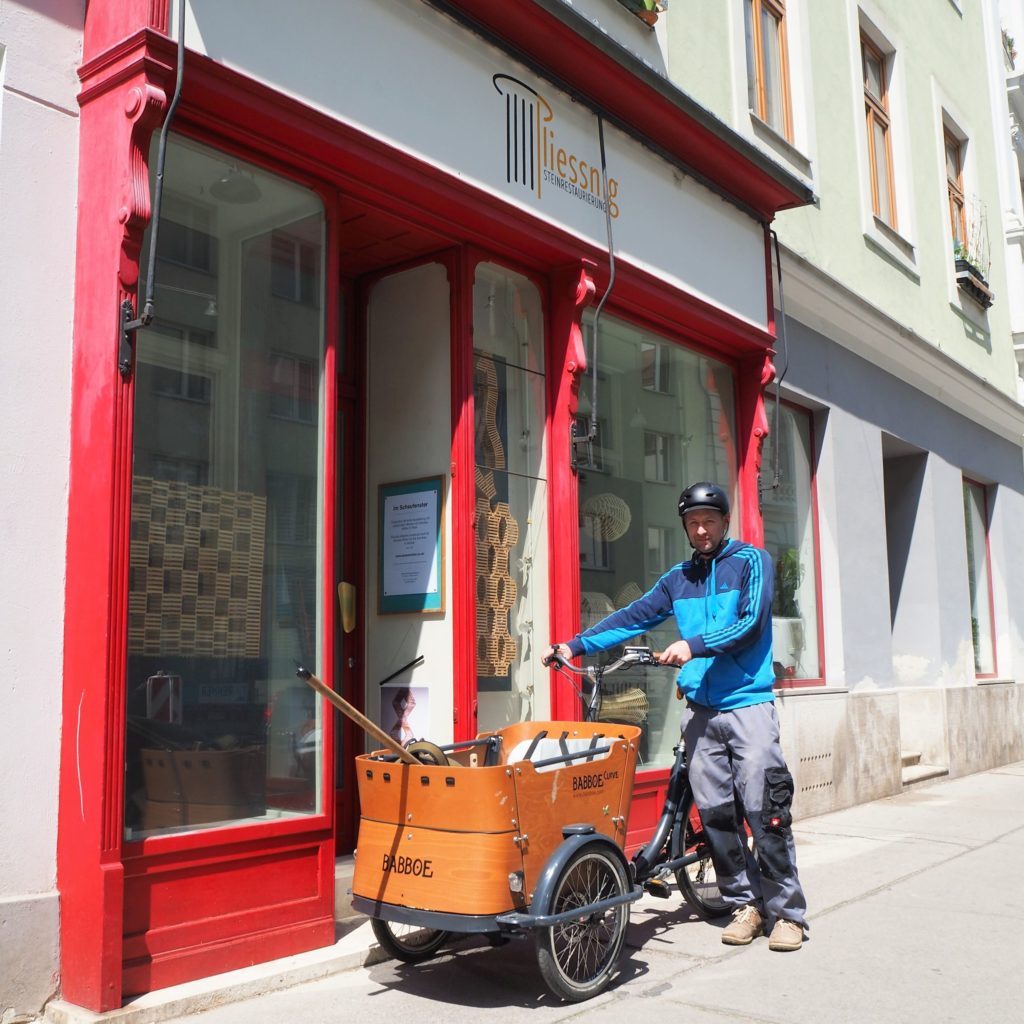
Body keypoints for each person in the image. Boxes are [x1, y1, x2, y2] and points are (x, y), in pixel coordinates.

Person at [544, 481, 807, 951]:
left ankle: (786, 913)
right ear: (685, 527)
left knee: (765, 812)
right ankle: (744, 903)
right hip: (701, 712)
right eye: (693, 523)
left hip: (748, 706)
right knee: (718, 817)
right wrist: (574, 645)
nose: (701, 529)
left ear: (725, 521)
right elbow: (633, 615)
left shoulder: (751, 562)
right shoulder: (678, 578)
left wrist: (693, 645)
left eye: (709, 521)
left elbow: (750, 623)